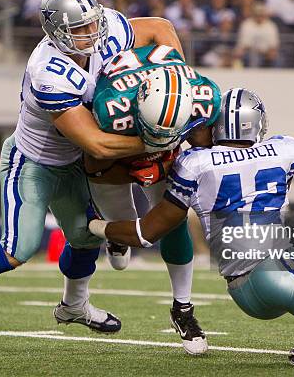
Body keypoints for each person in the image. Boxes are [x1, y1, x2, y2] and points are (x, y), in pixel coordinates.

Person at [0, 0, 187, 347]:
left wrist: (176, 77)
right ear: (56, 31)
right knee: (17, 248)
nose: (92, 33)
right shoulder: (48, 70)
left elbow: (161, 28)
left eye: (93, 23)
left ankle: (74, 306)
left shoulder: (106, 31)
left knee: (86, 239)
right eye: (80, 28)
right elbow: (94, 141)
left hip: (74, 163)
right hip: (34, 162)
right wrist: (158, 136)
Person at [87, 89, 294, 366]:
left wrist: (97, 225)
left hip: (244, 291)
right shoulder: (285, 149)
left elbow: (145, 233)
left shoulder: (196, 163)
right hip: (276, 272)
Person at [87, 50, 222, 355]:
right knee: (123, 230)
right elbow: (93, 159)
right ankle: (115, 235)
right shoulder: (109, 107)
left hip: (164, 147)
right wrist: (132, 160)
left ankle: (183, 308)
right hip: (119, 150)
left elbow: (205, 146)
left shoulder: (205, 98)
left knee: (172, 219)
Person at [233, 3, 280, 68]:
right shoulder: (246, 24)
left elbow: (274, 45)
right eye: (257, 14)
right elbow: (244, 45)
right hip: (249, 52)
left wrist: (269, 52)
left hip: (266, 53)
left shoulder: (271, 26)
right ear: (253, 14)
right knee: (254, 58)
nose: (259, 16)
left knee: (278, 59)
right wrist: (256, 51)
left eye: (261, 14)